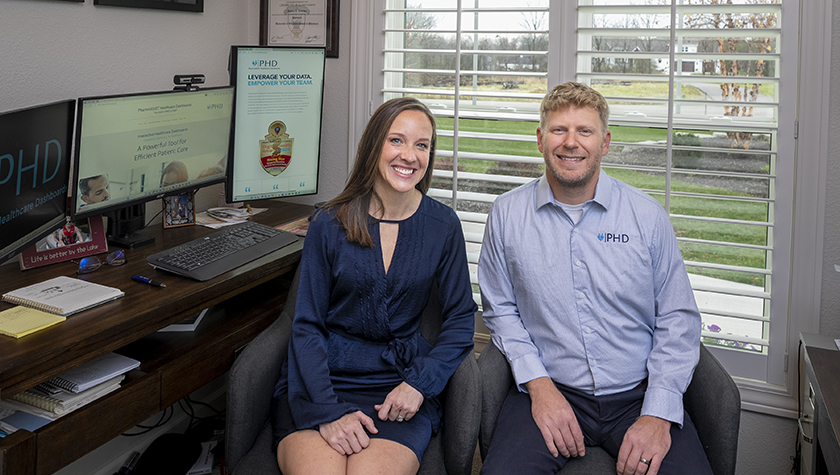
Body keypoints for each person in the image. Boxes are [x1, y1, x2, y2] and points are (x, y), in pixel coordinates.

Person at [478, 82, 712, 475]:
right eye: (559, 130)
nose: (571, 143)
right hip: (552, 388)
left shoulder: (646, 217)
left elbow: (678, 319)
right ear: (540, 139)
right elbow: (501, 311)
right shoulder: (506, 216)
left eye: (584, 131)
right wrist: (539, 386)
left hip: (638, 395)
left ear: (605, 143)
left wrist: (658, 412)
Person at [271, 97, 477, 475]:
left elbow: (462, 319)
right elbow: (306, 325)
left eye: (422, 145)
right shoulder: (327, 223)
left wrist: (419, 383)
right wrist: (328, 410)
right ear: (374, 146)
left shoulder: (443, 226)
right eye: (396, 140)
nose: (410, 156)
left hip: (396, 388)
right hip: (321, 382)